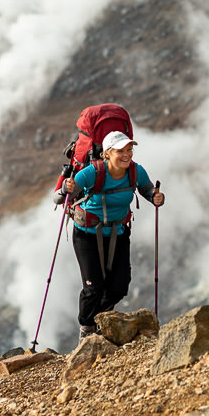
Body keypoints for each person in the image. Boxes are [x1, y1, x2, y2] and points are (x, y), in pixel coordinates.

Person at [58, 130, 165, 338]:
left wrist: (155, 197)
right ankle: (87, 329)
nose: (127, 154)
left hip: (118, 232)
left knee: (119, 286)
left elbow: (147, 189)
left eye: (129, 150)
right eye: (120, 151)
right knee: (93, 288)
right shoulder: (93, 172)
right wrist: (65, 187)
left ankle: (102, 318)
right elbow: (64, 196)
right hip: (86, 233)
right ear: (107, 153)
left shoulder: (136, 172)